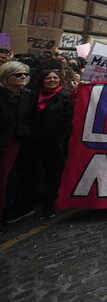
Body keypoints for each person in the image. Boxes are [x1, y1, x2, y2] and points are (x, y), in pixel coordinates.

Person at [31, 66, 73, 219]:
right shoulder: (33, 96)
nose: (52, 80)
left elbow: (69, 121)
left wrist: (61, 141)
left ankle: (49, 206)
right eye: (48, 78)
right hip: (36, 142)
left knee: (52, 175)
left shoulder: (65, 96)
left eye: (55, 78)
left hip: (56, 144)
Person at [0, 62, 35, 228]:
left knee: (10, 179)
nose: (23, 78)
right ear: (6, 77)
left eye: (25, 75)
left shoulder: (27, 95)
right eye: (18, 75)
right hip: (3, 141)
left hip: (18, 142)